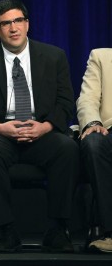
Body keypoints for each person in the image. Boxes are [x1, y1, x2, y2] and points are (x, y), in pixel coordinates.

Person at [0, 0, 80, 253]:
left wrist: (45, 126)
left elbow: (66, 102)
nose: (13, 28)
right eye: (6, 24)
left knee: (67, 148)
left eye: (18, 21)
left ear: (27, 24)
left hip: (41, 131)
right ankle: (6, 230)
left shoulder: (54, 56)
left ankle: (57, 229)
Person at [76, 48, 112, 253]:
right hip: (109, 130)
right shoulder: (101, 57)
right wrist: (93, 122)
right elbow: (87, 98)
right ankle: (110, 232)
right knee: (93, 142)